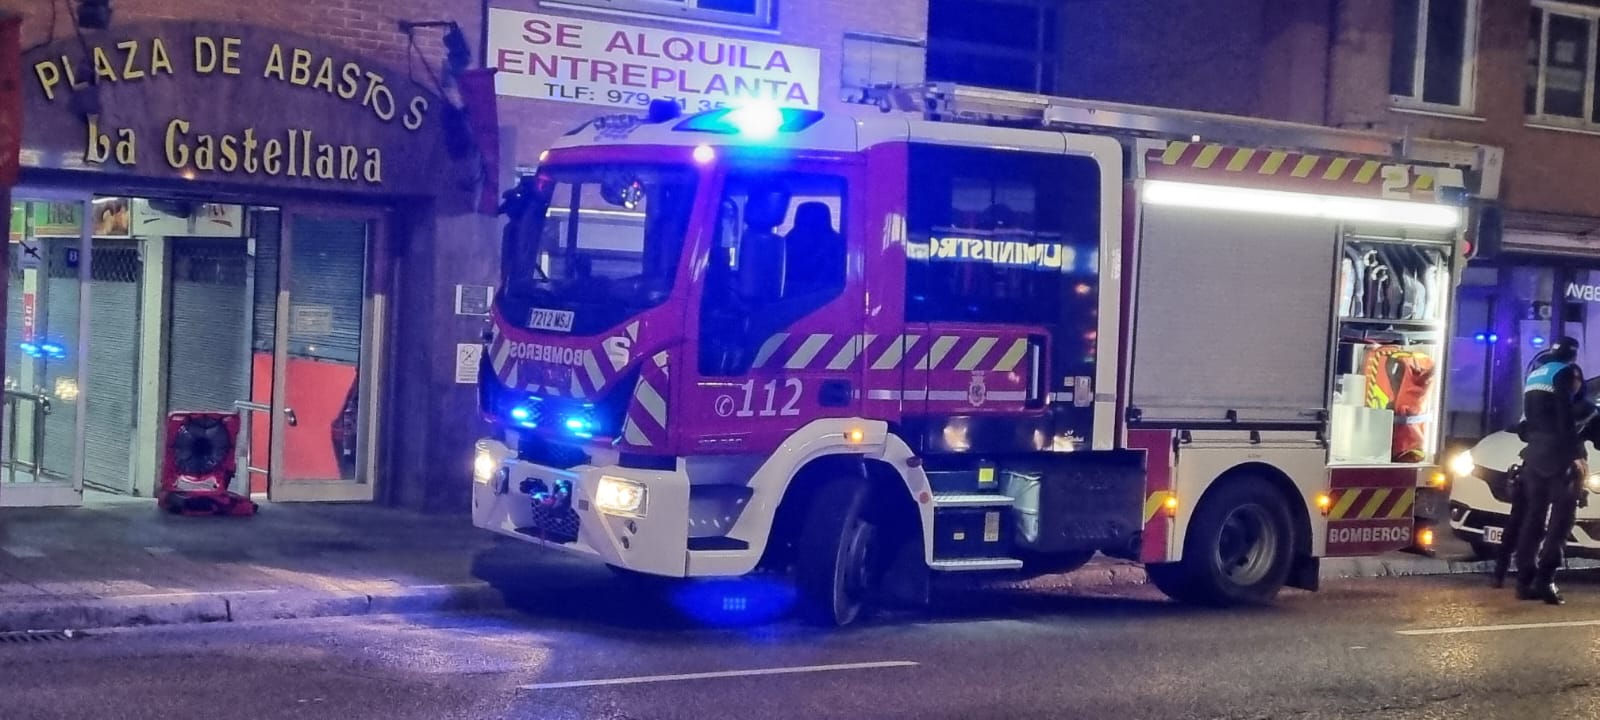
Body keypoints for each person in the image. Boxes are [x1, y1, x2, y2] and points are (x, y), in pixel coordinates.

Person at [1509, 336, 1588, 604]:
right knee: (1561, 521)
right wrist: (1575, 455)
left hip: (1534, 455)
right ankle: (1546, 581)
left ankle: (1524, 581)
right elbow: (1565, 417)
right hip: (1559, 456)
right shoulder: (1565, 372)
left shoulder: (1536, 374)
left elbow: (1524, 425)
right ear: (1573, 355)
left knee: (1533, 518)